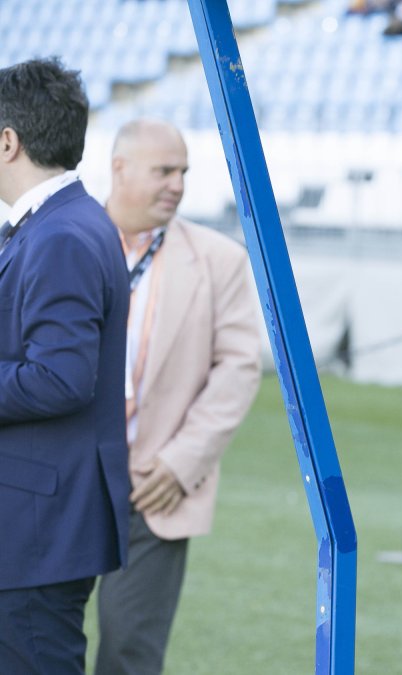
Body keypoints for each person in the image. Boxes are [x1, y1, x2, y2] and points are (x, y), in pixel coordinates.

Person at [93, 118, 262, 675]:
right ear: (119, 169)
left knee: (129, 653)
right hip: (62, 478)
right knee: (37, 641)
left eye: (183, 172)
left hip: (154, 487)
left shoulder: (220, 260)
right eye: (164, 170)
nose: (177, 184)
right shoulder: (60, 241)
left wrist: (183, 460)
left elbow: (238, 369)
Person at [0, 57, 130, 674]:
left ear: (8, 142)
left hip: (37, 531)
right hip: (36, 525)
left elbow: (59, 378)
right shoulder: (56, 225)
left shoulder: (62, 235)